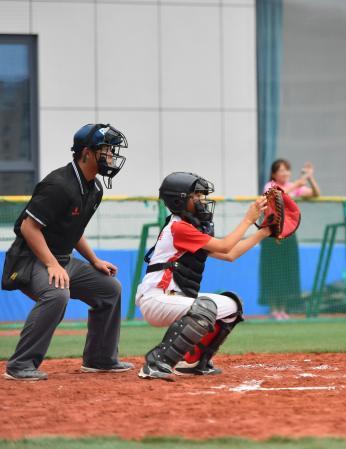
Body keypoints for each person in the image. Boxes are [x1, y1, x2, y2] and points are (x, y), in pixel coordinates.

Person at [3, 123, 132, 381]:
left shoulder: (94, 189)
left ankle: (100, 359)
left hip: (62, 260)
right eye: (105, 149)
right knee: (57, 294)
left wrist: (94, 260)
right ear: (86, 153)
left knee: (110, 288)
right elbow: (29, 227)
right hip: (30, 260)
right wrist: (52, 264)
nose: (111, 155)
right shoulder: (59, 184)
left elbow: (74, 230)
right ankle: (20, 365)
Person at [136, 172, 270, 380]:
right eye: (196, 196)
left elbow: (230, 254)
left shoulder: (189, 227)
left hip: (173, 298)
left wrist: (264, 232)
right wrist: (248, 219)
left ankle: (194, 361)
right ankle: (156, 362)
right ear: (179, 200)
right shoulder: (179, 227)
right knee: (205, 309)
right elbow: (225, 246)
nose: (201, 200)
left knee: (232, 306)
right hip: (156, 298)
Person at [259, 159, 320, 320]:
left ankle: (283, 309)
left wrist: (310, 177)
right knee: (273, 272)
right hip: (271, 235)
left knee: (287, 271)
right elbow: (276, 195)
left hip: (288, 234)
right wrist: (298, 183)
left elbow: (316, 194)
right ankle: (273, 309)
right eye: (281, 170)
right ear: (274, 174)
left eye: (287, 170)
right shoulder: (270, 186)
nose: (285, 173)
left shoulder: (293, 186)